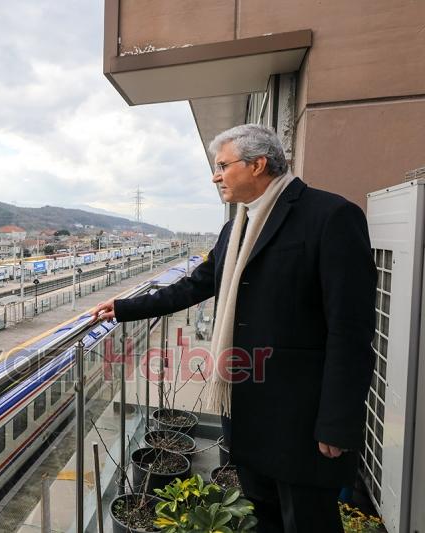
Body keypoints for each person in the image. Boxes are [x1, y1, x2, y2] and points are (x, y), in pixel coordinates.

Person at [93, 124, 376, 533]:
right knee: (266, 516)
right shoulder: (235, 229)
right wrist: (122, 307)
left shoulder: (329, 216)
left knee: (310, 521)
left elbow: (351, 331)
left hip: (302, 419)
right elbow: (195, 286)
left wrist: (338, 422)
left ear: (258, 164)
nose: (215, 176)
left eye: (222, 165)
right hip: (246, 410)